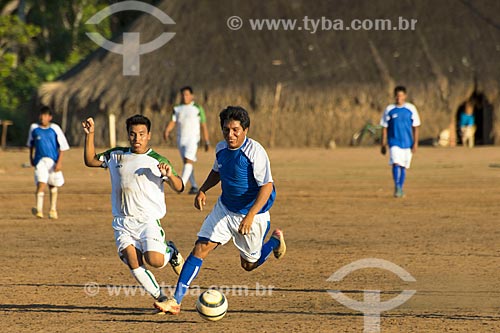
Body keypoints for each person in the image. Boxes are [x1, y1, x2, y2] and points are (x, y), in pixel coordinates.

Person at [154, 106, 286, 315]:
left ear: (246, 130)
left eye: (235, 130)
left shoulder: (255, 152)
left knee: (248, 265)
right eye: (226, 130)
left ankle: (274, 242)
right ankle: (176, 300)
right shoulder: (221, 148)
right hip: (224, 209)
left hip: (253, 214)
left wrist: (250, 215)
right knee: (200, 247)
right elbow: (217, 172)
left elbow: (267, 186)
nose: (230, 135)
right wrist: (203, 189)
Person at [82, 114, 185, 309]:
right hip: (122, 221)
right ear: (128, 135)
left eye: (141, 134)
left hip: (147, 220)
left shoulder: (157, 160)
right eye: (133, 134)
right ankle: (162, 298)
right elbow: (90, 160)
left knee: (154, 260)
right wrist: (90, 134)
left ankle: (170, 253)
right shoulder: (117, 154)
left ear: (149, 135)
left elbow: (180, 187)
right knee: (133, 260)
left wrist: (169, 175)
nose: (137, 138)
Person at [164, 86, 210, 194]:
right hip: (181, 139)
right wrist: (167, 130)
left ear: (192, 96)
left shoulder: (197, 108)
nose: (185, 97)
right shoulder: (177, 108)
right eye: (183, 94)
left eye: (187, 94)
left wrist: (206, 140)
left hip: (193, 139)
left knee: (188, 160)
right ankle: (194, 186)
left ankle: (182, 184)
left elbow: (203, 125)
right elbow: (173, 121)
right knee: (187, 162)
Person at [27, 106, 70, 219]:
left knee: (52, 184)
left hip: (53, 161)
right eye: (41, 115)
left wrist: (59, 162)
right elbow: (31, 144)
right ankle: (39, 210)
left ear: (50, 117)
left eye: (45, 115)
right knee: (41, 183)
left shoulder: (55, 129)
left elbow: (63, 146)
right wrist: (31, 158)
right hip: (40, 161)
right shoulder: (34, 128)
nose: (43, 118)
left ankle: (52, 209)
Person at [380, 86, 421, 198]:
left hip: (407, 143)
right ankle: (397, 186)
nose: (399, 98)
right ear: (394, 96)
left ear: (405, 96)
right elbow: (384, 127)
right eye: (397, 96)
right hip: (394, 142)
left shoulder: (411, 109)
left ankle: (400, 187)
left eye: (401, 95)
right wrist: (383, 143)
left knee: (403, 166)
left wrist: (416, 143)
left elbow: (416, 126)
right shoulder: (389, 109)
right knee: (396, 163)